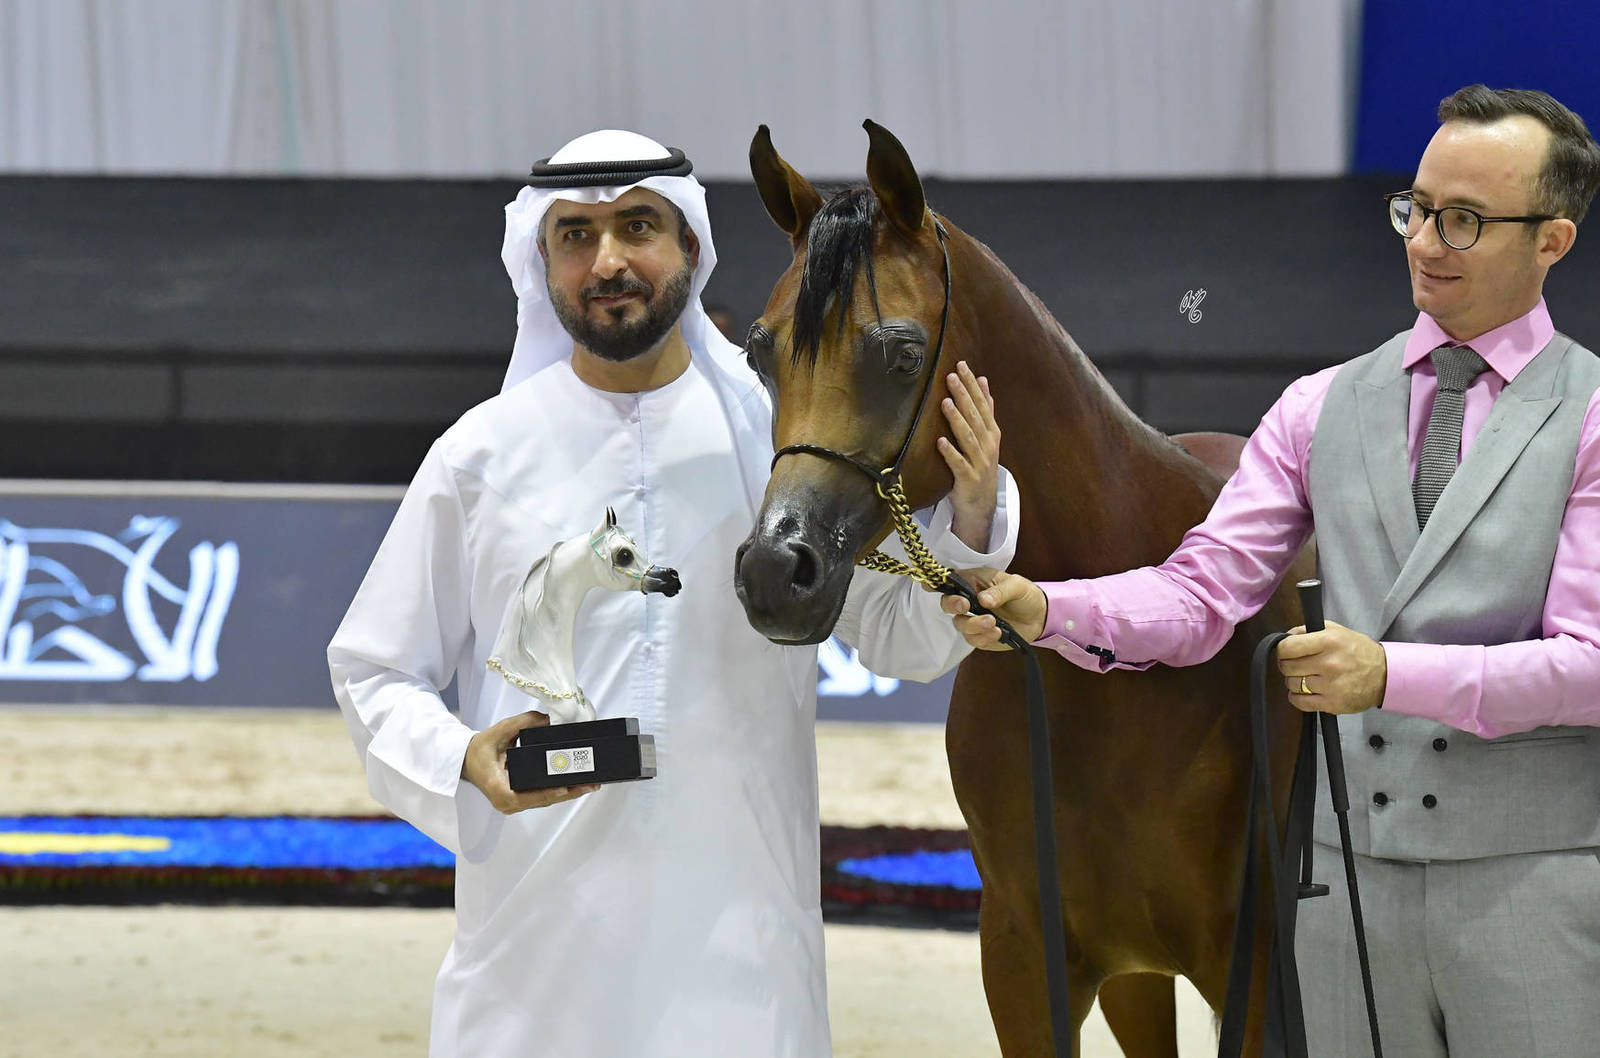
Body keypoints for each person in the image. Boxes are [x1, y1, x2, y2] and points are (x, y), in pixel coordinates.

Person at [328, 129, 1019, 1058]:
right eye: (575, 235)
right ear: (544, 262)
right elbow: (374, 672)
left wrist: (969, 521)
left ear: (689, 244)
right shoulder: (477, 457)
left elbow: (899, 638)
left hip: (743, 966)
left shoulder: (779, 438)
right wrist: (461, 757)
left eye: (637, 227)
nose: (607, 259)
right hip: (534, 974)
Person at [944, 85, 1600, 1057]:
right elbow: (1199, 593)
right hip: (1340, 905)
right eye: (1413, 208)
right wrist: (1046, 608)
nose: (1424, 242)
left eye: (1462, 221)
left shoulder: (1588, 416)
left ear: (1552, 238)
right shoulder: (1314, 408)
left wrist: (1388, 675)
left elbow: (1587, 666)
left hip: (1527, 895)